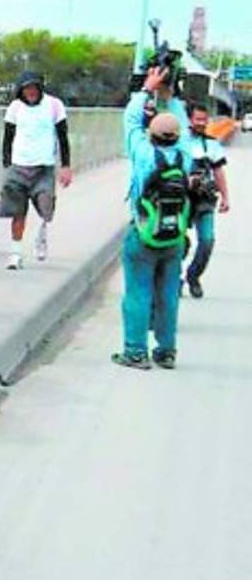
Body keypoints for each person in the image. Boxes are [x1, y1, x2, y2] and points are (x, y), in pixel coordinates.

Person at [112, 66, 191, 370]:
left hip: (144, 234)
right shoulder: (185, 155)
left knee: (138, 293)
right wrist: (170, 95)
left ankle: (135, 351)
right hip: (174, 236)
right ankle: (166, 351)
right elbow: (182, 123)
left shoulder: (144, 154)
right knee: (168, 295)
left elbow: (131, 120)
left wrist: (147, 88)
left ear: (152, 134)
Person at [0, 71, 73, 269]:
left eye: (33, 88)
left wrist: (65, 166)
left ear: (40, 88)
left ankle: (41, 234)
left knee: (46, 206)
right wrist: (7, 164)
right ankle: (15, 254)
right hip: (19, 165)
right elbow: (8, 137)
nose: (30, 92)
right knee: (17, 212)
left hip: (43, 166)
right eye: (26, 89)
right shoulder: (15, 107)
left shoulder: (54, 105)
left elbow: (63, 137)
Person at [182, 102, 232, 298]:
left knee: (207, 241)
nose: (202, 123)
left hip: (204, 199)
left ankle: (194, 276)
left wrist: (225, 197)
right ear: (189, 119)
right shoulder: (179, 141)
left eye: (205, 119)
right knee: (177, 242)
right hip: (181, 198)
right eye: (198, 119)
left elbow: (218, 171)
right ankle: (173, 279)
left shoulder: (211, 144)